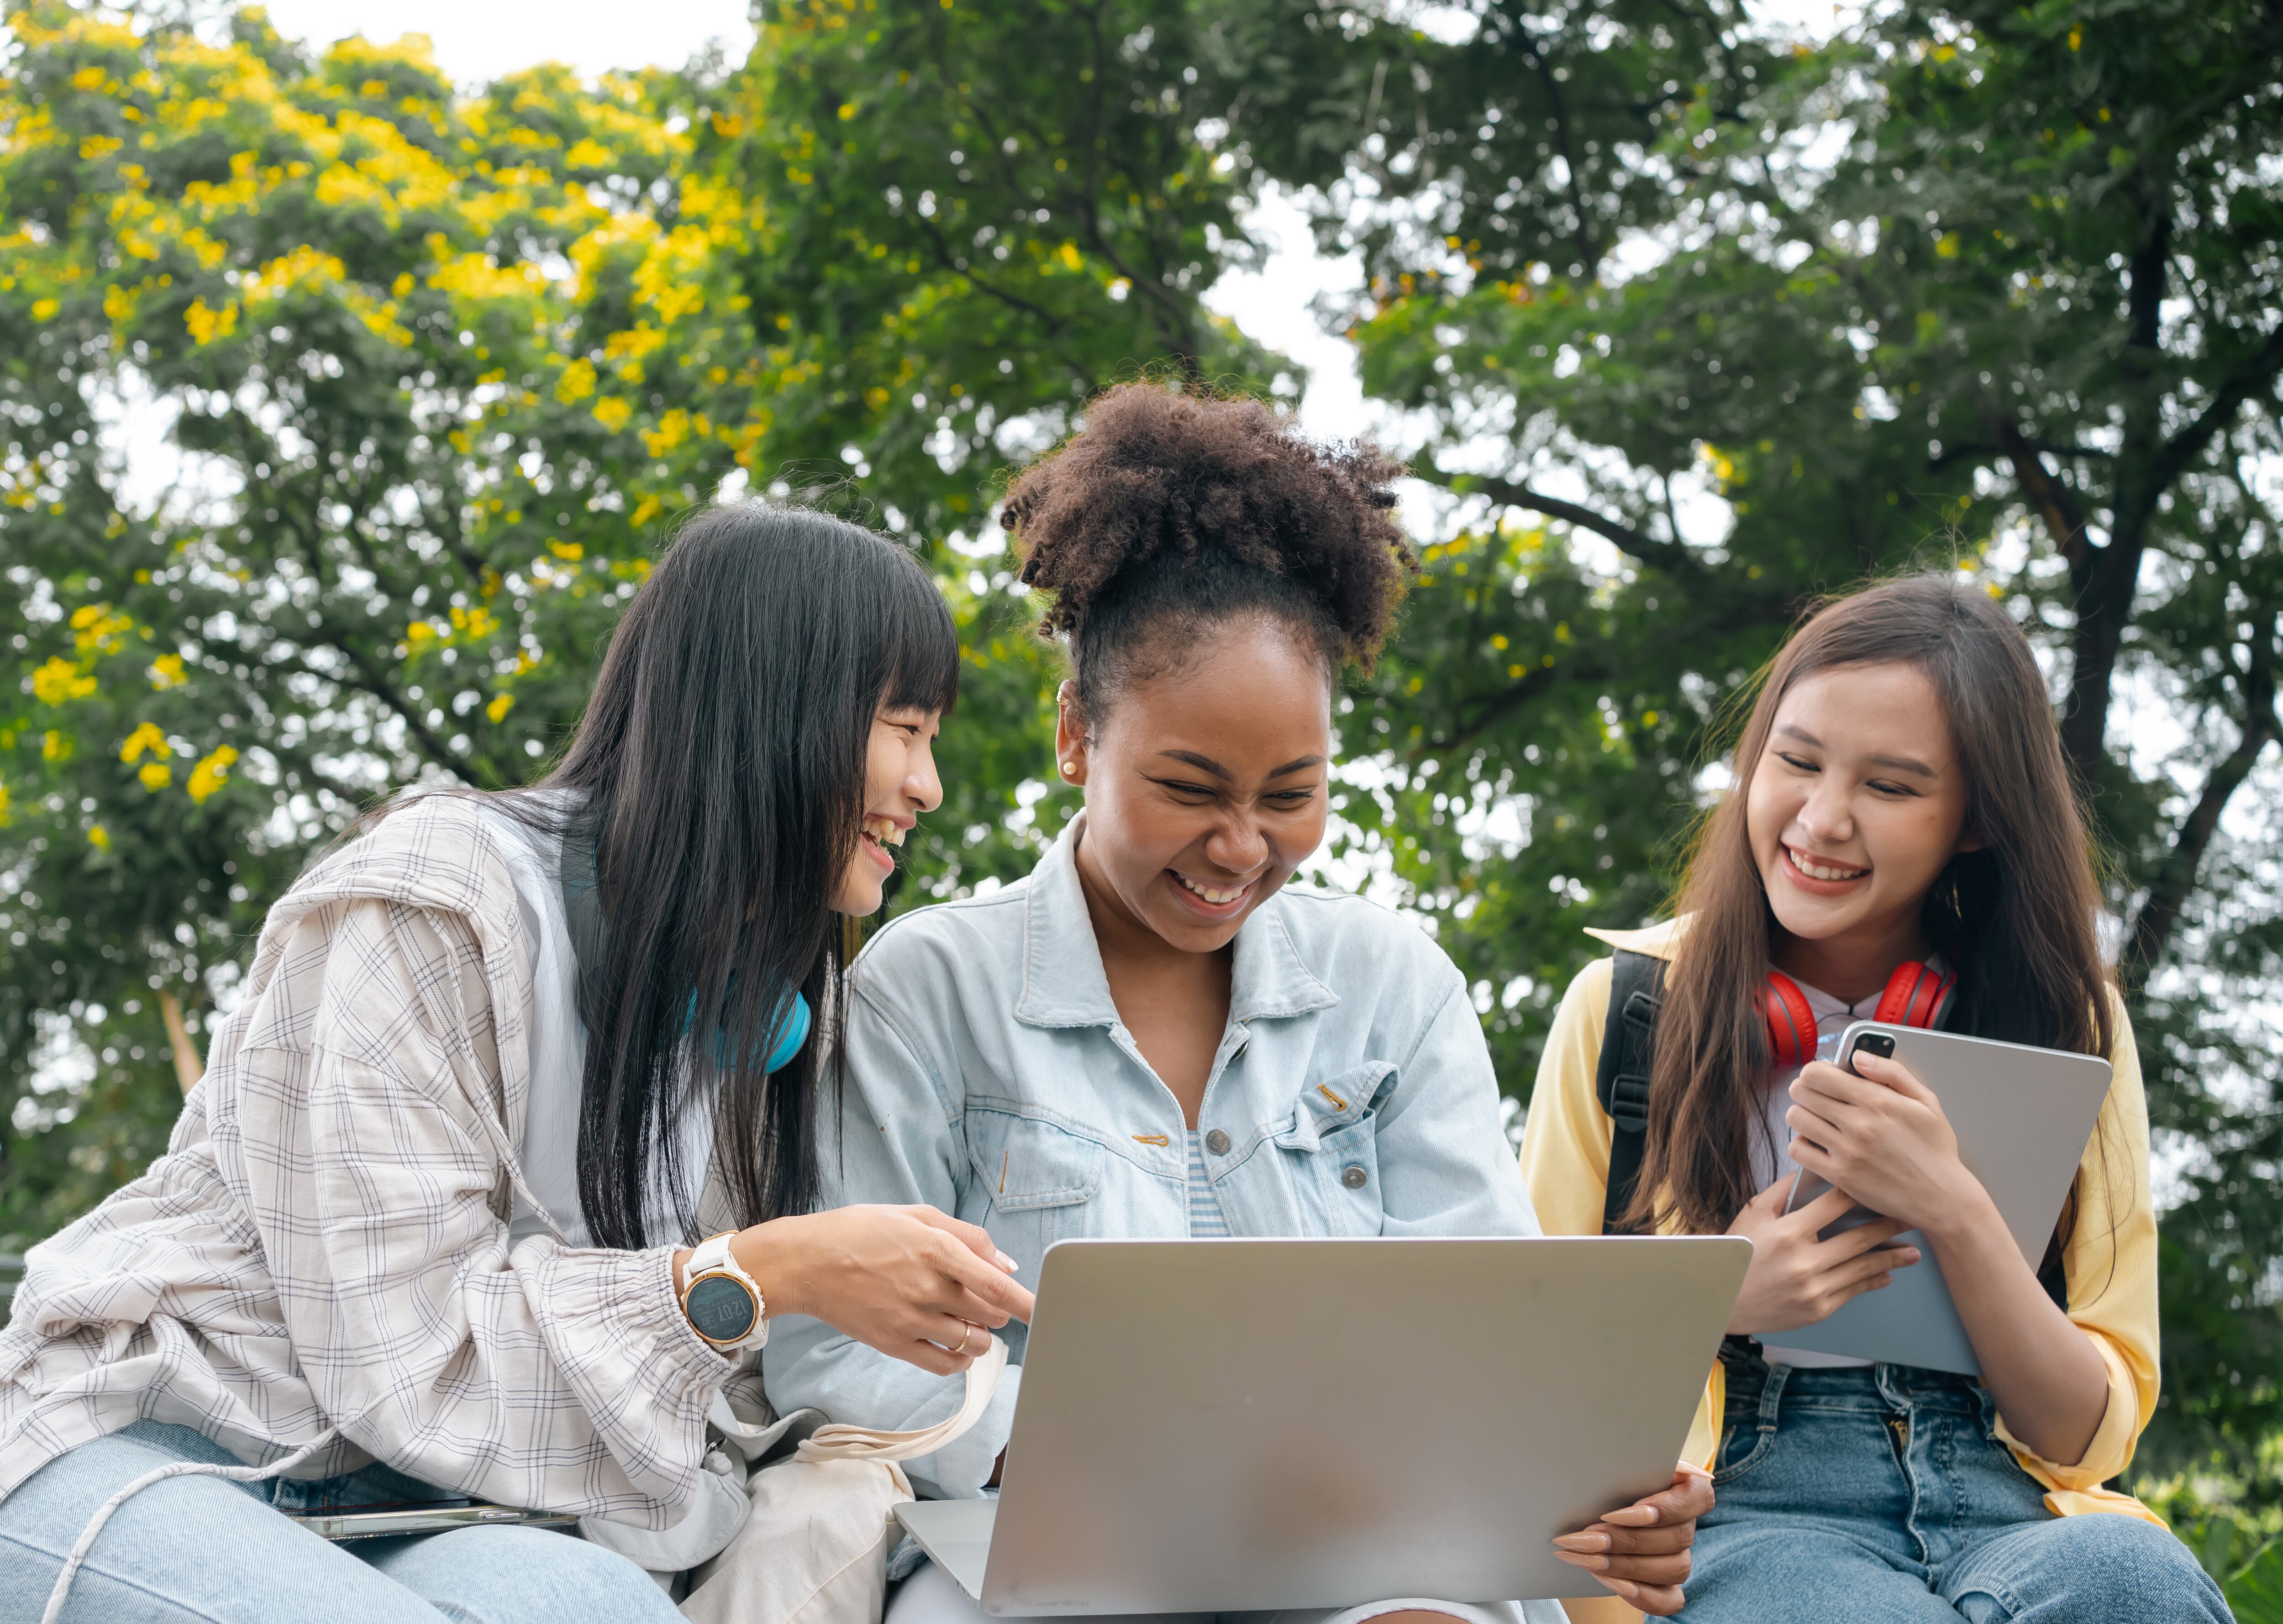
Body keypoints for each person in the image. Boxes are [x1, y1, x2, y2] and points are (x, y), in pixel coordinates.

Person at [764, 383, 1714, 1624]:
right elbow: (832, 1356)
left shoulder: (1393, 987)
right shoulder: (926, 989)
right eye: (1189, 785)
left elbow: (1498, 1337)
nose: (1239, 845)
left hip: (1372, 1548)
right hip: (1053, 1553)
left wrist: (1589, 1498)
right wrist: (1074, 1447)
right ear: (1075, 736)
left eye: (1290, 794)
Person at [0, 505, 1035, 1624]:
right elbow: (405, 1355)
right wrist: (752, 1274)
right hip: (172, 1435)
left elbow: (695, 1413)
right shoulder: (433, 903)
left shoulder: (754, 1027)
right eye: (904, 728)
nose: (926, 786)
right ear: (774, 714)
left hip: (432, 1510)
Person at [1517, 577, 2231, 1623]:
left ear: (1977, 821)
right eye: (1794, 761)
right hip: (1742, 1499)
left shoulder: (2073, 1023)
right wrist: (1716, 1295)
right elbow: (1521, 1355)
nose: (1821, 819)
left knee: (2139, 1587)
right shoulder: (1626, 1012)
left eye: (1891, 788)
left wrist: (1951, 1204)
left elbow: (2091, 1433)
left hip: (2003, 1491)